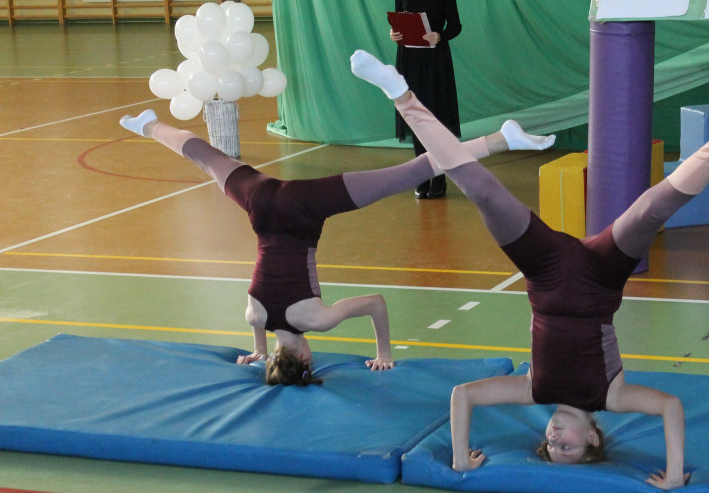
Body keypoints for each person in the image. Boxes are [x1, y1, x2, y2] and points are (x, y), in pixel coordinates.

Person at [350, 48, 709, 490]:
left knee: (481, 190)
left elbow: (462, 395)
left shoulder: (534, 390)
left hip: (544, 272)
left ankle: (399, 93)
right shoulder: (613, 395)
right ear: (593, 436)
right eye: (567, 447)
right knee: (650, 210)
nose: (553, 438)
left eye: (549, 446)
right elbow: (670, 407)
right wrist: (675, 474)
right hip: (601, 277)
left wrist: (462, 456)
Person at [118, 108, 554, 386]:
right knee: (205, 158)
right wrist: (255, 348)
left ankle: (500, 140)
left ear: (305, 358)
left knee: (412, 172)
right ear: (273, 354)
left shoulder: (316, 319)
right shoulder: (254, 313)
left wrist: (384, 353)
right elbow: (256, 319)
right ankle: (149, 124)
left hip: (303, 209)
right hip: (263, 202)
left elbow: (376, 304)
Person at [390, 0, 462, 199]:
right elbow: (399, 24)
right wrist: (395, 35)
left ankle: (440, 177)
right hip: (409, 61)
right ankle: (422, 175)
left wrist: (439, 35)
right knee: (415, 117)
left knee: (435, 118)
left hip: (435, 61)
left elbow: (455, 25)